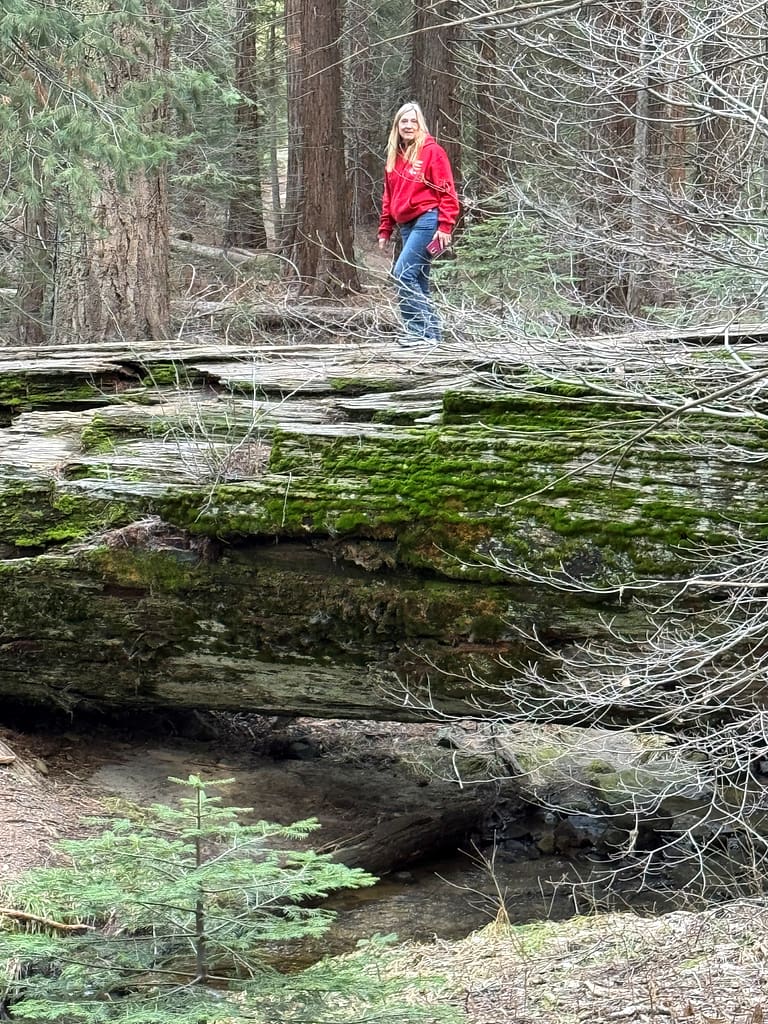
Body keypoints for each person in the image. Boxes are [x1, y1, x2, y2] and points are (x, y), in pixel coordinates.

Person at [378, 101, 460, 345]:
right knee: (418, 279)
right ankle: (432, 337)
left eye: (413, 121)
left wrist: (445, 225)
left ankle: (418, 334)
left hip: (428, 219)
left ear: (420, 124)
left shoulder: (432, 151)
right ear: (397, 125)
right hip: (406, 225)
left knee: (402, 273)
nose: (409, 125)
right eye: (404, 121)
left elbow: (447, 190)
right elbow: (389, 195)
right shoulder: (394, 155)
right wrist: (385, 228)